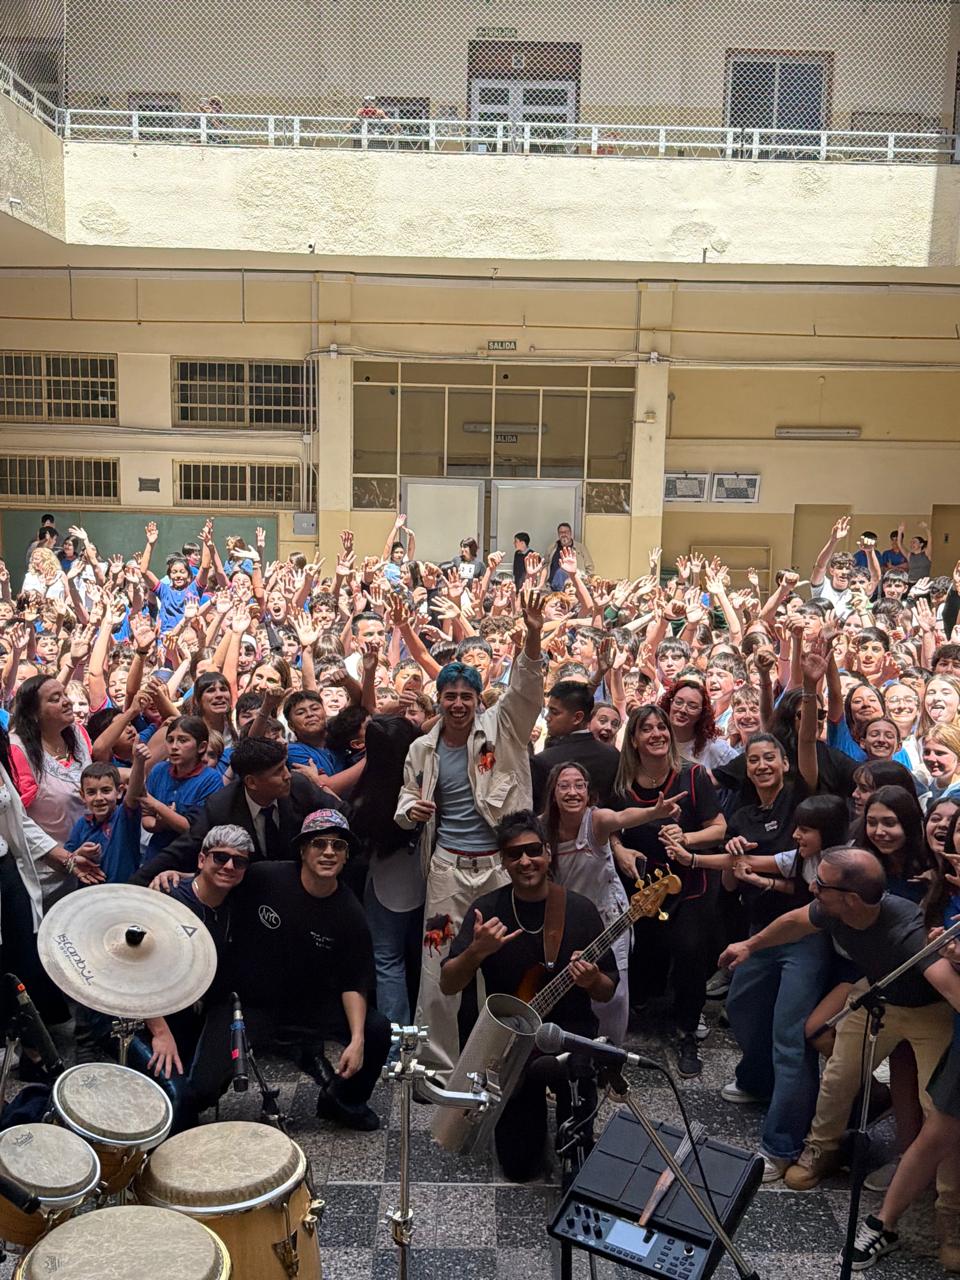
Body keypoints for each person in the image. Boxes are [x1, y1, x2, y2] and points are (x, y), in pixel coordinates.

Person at [720, 848, 960, 1210]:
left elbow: (947, 987)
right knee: (838, 1078)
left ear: (850, 899)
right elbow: (795, 922)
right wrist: (749, 945)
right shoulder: (833, 909)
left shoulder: (906, 931)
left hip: (928, 1013)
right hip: (878, 996)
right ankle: (820, 1151)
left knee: (939, 1108)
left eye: (821, 883)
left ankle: (948, 1206)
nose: (812, 887)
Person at [395, 589, 545, 1077]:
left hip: (501, 871)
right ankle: (437, 1068)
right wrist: (411, 811)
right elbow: (404, 798)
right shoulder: (422, 749)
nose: (458, 704)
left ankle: (496, 1063)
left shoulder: (502, 730)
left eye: (466, 696)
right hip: (447, 870)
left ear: (478, 699)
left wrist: (533, 638)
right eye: (449, 696)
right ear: (437, 700)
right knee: (438, 964)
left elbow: (526, 692)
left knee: (499, 966)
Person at [440, 810, 617, 1181]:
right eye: (514, 854)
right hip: (512, 1047)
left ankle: (576, 1126)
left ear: (549, 853)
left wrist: (591, 979)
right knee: (519, 1168)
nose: (525, 861)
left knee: (577, 1160)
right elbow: (448, 984)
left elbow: (607, 990)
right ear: (503, 861)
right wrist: (476, 952)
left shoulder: (579, 910)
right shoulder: (486, 911)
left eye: (534, 850)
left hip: (569, 1038)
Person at [231, 809, 391, 1130]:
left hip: (314, 1005)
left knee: (376, 1029)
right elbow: (219, 880)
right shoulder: (264, 877)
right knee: (203, 1086)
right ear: (303, 850)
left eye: (338, 846)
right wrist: (180, 878)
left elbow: (354, 981)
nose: (329, 852)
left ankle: (342, 1099)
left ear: (346, 857)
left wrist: (357, 1040)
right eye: (319, 843)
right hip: (254, 1002)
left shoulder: (351, 913)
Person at [611, 703, 726, 1077]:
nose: (657, 734)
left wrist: (687, 837)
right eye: (647, 729)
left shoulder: (693, 776)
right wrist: (620, 848)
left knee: (691, 953)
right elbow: (607, 825)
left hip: (690, 884)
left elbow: (719, 828)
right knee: (645, 952)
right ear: (634, 739)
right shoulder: (621, 781)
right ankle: (640, 1012)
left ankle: (686, 1031)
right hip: (642, 887)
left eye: (661, 727)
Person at [541, 761, 684, 1043]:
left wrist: (654, 812)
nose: (572, 792)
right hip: (566, 919)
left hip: (609, 918)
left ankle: (611, 1057)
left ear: (588, 791)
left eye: (579, 785)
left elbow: (623, 817)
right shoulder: (543, 826)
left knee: (613, 994)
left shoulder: (597, 820)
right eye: (564, 786)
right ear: (553, 793)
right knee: (568, 986)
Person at [133, 736, 340, 885]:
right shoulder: (222, 806)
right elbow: (183, 849)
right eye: (278, 772)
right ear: (251, 782)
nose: (288, 776)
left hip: (301, 884)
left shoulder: (299, 786)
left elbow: (343, 815)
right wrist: (131, 887)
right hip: (248, 891)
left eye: (285, 767)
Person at [531, 679, 620, 810]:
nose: (547, 717)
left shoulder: (543, 761)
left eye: (554, 712)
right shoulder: (613, 755)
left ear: (577, 717)